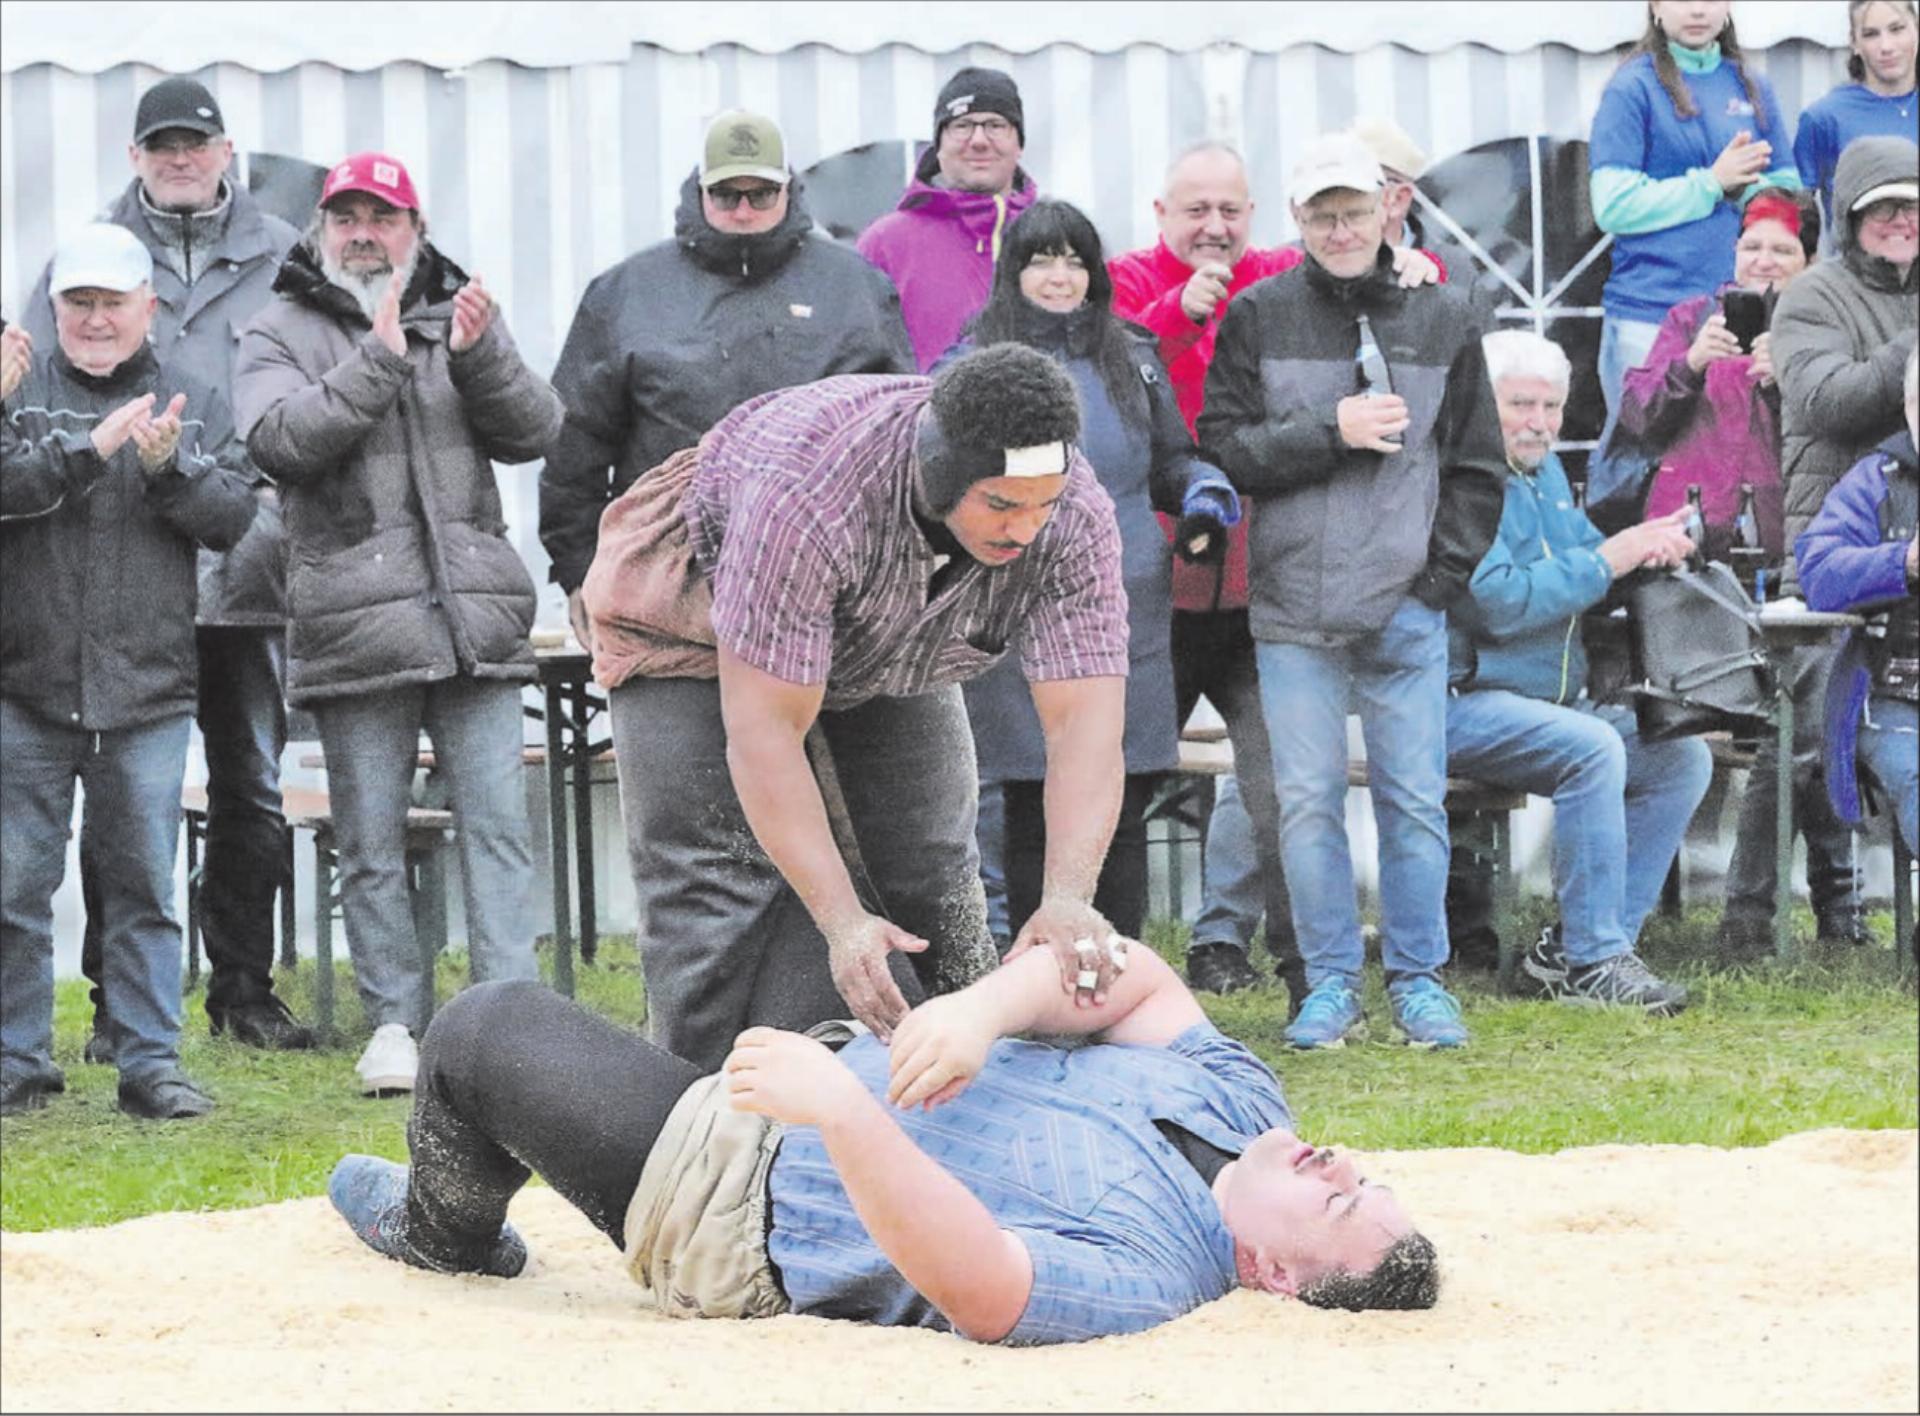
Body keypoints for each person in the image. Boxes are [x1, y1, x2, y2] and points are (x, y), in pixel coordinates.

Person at [324, 936, 1439, 1342]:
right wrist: (983, 1009)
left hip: (737, 1196)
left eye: (1340, 1201)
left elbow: (987, 1286)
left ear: (1275, 1276)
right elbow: (1131, 974)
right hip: (824, 1061)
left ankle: (443, 1231)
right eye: (1361, 1174)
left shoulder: (1160, 1273)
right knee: (839, 902)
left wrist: (845, 1113)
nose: (1338, 1165)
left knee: (481, 1030)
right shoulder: (1250, 1111)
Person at [583, 348, 1132, 1071]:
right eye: (1001, 504)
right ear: (941, 477)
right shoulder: (808, 500)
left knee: (931, 861)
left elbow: (1083, 724)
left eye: (1043, 505)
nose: (1026, 528)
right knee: (713, 887)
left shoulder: (1074, 518)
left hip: (888, 626)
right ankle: (689, 1116)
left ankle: (982, 1087)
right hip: (695, 605)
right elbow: (765, 737)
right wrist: (843, 925)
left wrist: (1067, 896)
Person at [234, 153, 564, 1096]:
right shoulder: (279, 327)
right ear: (319, 229)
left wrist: (484, 354)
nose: (363, 233)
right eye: (347, 217)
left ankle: (512, 1023)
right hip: (354, 627)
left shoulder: (459, 314)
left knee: (498, 827)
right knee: (370, 841)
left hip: (472, 621)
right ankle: (396, 1024)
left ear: (415, 229)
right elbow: (280, 442)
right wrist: (378, 362)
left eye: (383, 217)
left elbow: (537, 430)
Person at [1197, 132, 1507, 1051]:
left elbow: (1479, 465)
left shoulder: (1445, 313)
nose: (1339, 228)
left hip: (1405, 607)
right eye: (1321, 213)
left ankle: (1419, 982)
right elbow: (1223, 448)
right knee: (1306, 803)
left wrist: (1437, 581)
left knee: (1415, 801)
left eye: (1354, 210)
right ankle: (1329, 983)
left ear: (1388, 210)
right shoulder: (1255, 315)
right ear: (1297, 220)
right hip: (1293, 612)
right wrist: (1329, 429)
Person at [1107, 143, 1439, 999]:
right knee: (1127, 784)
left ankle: (1308, 977)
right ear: (1160, 215)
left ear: (1257, 216)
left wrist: (1408, 263)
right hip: (1157, 585)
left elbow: (1353, 263)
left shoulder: (1276, 281)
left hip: (1262, 587)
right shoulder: (1121, 281)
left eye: (1230, 211)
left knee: (1281, 788)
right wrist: (1177, 312)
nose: (1214, 228)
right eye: (1196, 211)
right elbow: (1120, 378)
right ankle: (1111, 977)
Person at [22, 75, 309, 1057]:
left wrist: (263, 512)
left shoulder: (284, 252)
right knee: (119, 796)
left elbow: (316, 382)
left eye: (197, 142)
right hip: (113, 572)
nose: (180, 158)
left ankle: (243, 988)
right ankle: (116, 1008)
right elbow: (34, 390)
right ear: (137, 158)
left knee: (249, 787)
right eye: (162, 145)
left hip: (240, 561)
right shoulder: (88, 254)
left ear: (228, 152)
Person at [2, 223, 258, 1118]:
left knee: (146, 890)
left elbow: (234, 517)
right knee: (14, 889)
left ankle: (151, 1066)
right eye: (80, 302)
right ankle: (16, 1063)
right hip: (23, 689)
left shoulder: (192, 392)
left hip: (146, 692)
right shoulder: (14, 387)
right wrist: (86, 449)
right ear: (56, 305)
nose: (96, 319)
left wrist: (168, 472)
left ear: (148, 305)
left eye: (113, 302)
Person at [941, 199, 1240, 942]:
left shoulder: (1131, 352)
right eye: (1042, 258)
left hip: (1126, 605)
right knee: (1033, 795)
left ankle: (1119, 971)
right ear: (1014, 270)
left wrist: (1202, 490)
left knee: (1123, 793)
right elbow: (938, 473)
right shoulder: (972, 359)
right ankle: (1031, 979)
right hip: (1015, 605)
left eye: (1076, 259)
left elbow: (1171, 459)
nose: (1060, 275)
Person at [541, 110, 914, 645]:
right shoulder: (625, 293)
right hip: (669, 586)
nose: (743, 210)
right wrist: (579, 572)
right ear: (700, 190)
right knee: (684, 731)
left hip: (830, 584)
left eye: (760, 194)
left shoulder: (856, 288)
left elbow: (901, 438)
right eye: (726, 194)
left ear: (789, 190)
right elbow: (573, 446)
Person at [1446, 331, 1708, 1014]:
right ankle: (1595, 961)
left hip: (1545, 703)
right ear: (1484, 403)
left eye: (1553, 407)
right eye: (1521, 404)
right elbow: (1499, 603)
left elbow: (1592, 560)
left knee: (1679, 755)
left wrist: (1656, 542)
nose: (1539, 423)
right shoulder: (1464, 478)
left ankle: (1575, 948)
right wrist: (1612, 558)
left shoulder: (1546, 472)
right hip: (1459, 702)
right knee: (1592, 750)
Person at [1749, 134, 1917, 952]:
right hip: (1834, 545)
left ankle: (1843, 915)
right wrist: (1912, 345)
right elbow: (1827, 403)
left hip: (1907, 538)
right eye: (1882, 206)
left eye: (1913, 205)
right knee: (1799, 740)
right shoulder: (1811, 295)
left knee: (1851, 736)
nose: (1901, 219)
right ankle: (1751, 922)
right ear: (1850, 217)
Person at [1586, 1, 1800, 503]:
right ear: (1655, 8)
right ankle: (1634, 577)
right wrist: (1711, 182)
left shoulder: (1751, 84)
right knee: (1642, 465)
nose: (1697, 9)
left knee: (1744, 464)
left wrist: (1746, 189)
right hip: (1650, 312)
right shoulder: (1631, 86)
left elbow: (1789, 191)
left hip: (1739, 314)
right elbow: (1612, 205)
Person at [1614, 187, 1819, 561]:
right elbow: (1636, 416)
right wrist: (1690, 364)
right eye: (1751, 247)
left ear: (1811, 260)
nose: (1764, 261)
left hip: (1778, 533)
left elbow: (1837, 431)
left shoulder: (1820, 327)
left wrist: (1786, 381)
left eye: (1783, 250)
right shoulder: (1690, 318)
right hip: (1682, 529)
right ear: (1735, 251)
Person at [1797, 348, 1919, 918]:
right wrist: (1903, 561)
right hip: (1892, 695)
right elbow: (1817, 572)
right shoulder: (1875, 479)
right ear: (1908, 406)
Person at [857, 66, 1040, 371]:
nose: (979, 140)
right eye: (962, 125)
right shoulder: (885, 244)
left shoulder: (1059, 240)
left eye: (996, 124)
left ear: (1018, 144)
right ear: (938, 145)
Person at [1794, 2, 1918, 235]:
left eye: (1897, 29)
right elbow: (1795, 212)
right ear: (1854, 43)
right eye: (1871, 34)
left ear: (1916, 29)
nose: (1886, 46)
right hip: (1857, 269)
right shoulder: (1824, 118)